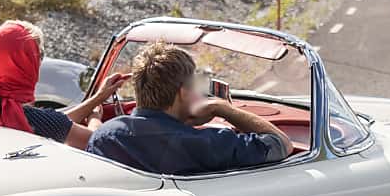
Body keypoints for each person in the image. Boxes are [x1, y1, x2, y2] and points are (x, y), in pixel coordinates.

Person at [87, 42, 289, 175]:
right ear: (183, 92)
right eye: (194, 87)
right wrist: (222, 108)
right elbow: (281, 144)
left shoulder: (103, 138)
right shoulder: (202, 144)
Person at [0, 21, 124, 150]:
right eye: (38, 54)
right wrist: (95, 118)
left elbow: (55, 122)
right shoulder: (34, 119)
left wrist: (97, 99)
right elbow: (99, 142)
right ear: (29, 63)